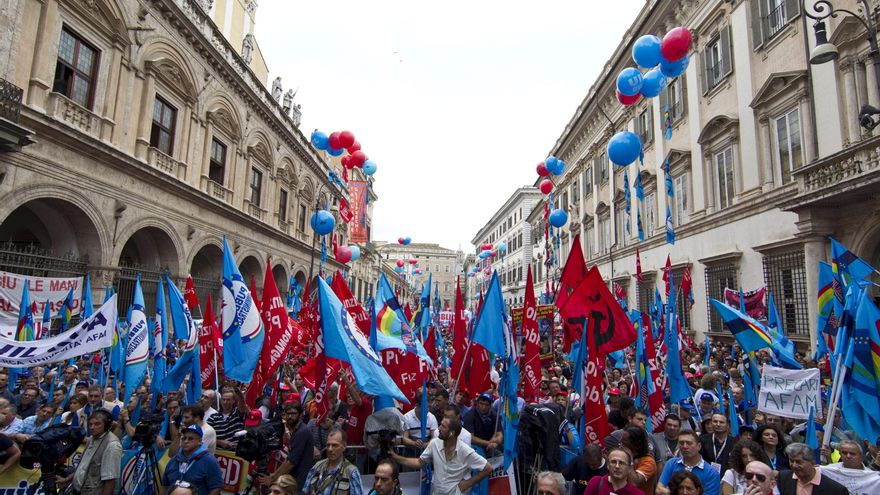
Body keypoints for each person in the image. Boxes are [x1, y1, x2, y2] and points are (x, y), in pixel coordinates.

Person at [391, 417, 492, 495]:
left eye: (443, 426)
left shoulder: (465, 451)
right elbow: (419, 463)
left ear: (451, 433)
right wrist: (395, 457)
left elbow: (488, 468)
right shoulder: (434, 443)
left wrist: (468, 483)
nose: (438, 429)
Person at [63, 410, 123, 495]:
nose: (92, 427)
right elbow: (83, 468)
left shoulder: (112, 445)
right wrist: (66, 479)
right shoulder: (91, 439)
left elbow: (110, 480)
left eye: (97, 424)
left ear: (106, 425)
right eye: (90, 424)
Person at [261, 401, 315, 490]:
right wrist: (274, 475)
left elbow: (290, 463)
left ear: (300, 415)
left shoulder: (302, 432)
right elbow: (288, 459)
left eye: (293, 414)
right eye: (288, 414)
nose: (290, 416)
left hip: (299, 483)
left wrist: (272, 480)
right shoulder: (297, 430)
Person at [161, 424, 224, 495]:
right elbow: (164, 486)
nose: (186, 441)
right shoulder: (174, 460)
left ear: (199, 441)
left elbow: (216, 488)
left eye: (190, 439)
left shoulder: (209, 461)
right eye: (184, 438)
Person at [300, 428, 363, 495]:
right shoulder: (317, 467)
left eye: (334, 445)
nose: (330, 449)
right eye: (328, 445)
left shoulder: (351, 472)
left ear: (344, 446)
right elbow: (305, 492)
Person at [657, 430, 721, 495]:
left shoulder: (711, 473)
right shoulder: (671, 464)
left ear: (699, 446)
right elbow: (658, 490)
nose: (685, 446)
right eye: (681, 443)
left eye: (689, 443)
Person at [776, 443, 848, 495]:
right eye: (791, 461)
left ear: (812, 462)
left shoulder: (835, 490)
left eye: (799, 462)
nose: (794, 465)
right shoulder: (783, 477)